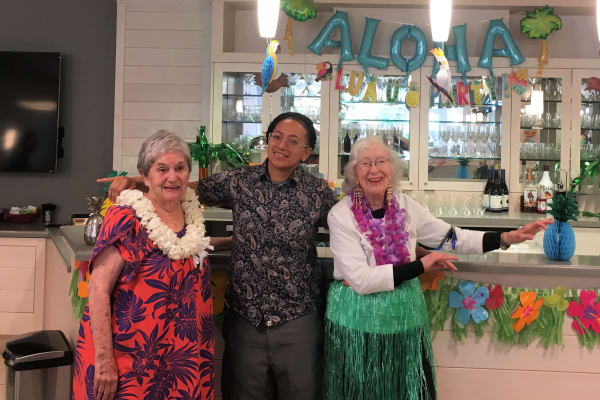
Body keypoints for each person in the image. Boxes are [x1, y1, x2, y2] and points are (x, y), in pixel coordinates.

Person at [100, 112, 338, 400]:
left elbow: (351, 226)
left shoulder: (318, 193)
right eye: (276, 136)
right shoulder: (241, 179)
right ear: (267, 139)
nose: (282, 145)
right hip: (245, 321)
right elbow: (188, 186)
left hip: (297, 321)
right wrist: (141, 182)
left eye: (293, 140)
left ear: (306, 152)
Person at [324, 136, 552, 400]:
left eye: (381, 162)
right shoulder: (340, 215)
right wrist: (423, 263)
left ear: (392, 167)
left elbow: (451, 238)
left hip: (403, 318)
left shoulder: (405, 206)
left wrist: (504, 238)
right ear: (353, 171)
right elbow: (362, 281)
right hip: (357, 323)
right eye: (365, 163)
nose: (374, 170)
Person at [73, 130, 214, 400]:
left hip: (184, 356)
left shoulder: (191, 216)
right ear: (144, 175)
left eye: (180, 168)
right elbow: (99, 290)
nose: (172, 177)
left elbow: (184, 253)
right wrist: (104, 360)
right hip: (131, 360)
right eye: (162, 169)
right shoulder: (125, 218)